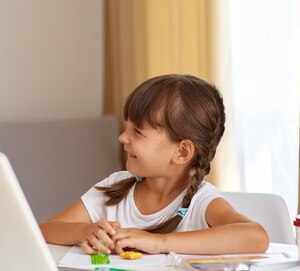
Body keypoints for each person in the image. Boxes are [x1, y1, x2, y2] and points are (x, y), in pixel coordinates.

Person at [40, 74, 269, 255]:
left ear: (181, 152)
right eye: (126, 127)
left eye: (137, 132)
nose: (122, 137)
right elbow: (45, 230)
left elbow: (256, 237)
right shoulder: (115, 188)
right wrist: (83, 231)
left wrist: (159, 242)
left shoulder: (201, 202)